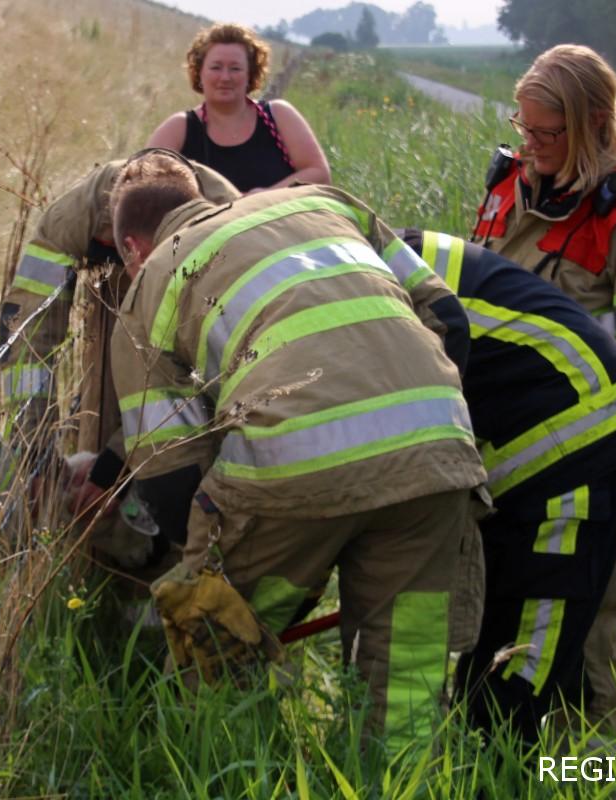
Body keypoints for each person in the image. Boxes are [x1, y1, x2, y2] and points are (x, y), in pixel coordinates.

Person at [108, 152, 485, 751]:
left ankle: (238, 776)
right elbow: (449, 318)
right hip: (434, 453)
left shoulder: (150, 283)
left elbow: (167, 473)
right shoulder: (326, 203)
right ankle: (398, 779)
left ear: (132, 247)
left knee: (219, 652)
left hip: (289, 472)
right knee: (408, 675)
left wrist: (220, 558)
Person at [469, 44, 616, 735]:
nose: (529, 145)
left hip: (595, 466)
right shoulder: (512, 183)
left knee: (589, 627)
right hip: (500, 457)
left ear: (595, 123)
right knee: (489, 611)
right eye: (524, 129)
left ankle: (595, 763)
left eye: (546, 133)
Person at [398, 229, 616, 743]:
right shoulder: (345, 252)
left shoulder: (351, 284)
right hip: (532, 425)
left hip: (579, 433)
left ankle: (532, 767)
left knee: (518, 667)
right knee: (493, 634)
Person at [0, 153, 238, 508]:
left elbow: (198, 380)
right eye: (136, 259)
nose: (143, 271)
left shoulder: (227, 221)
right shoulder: (73, 219)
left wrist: (112, 466)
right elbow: (26, 334)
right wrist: (36, 454)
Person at [145, 23, 330, 193]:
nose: (225, 77)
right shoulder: (179, 128)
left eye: (235, 68)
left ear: (250, 74)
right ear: (199, 73)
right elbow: (142, 184)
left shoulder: (279, 115)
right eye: (216, 67)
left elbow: (319, 174)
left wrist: (265, 198)